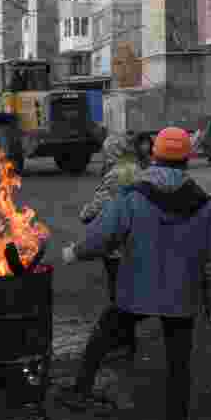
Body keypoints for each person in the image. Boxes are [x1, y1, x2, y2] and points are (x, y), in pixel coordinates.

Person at [61, 126, 211, 420]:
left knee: (103, 334)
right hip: (181, 298)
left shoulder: (134, 197)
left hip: (135, 291)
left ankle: (79, 391)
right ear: (187, 159)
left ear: (154, 155)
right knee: (179, 367)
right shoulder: (207, 207)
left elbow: (103, 235)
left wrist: (75, 252)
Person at [78, 133, 142, 360]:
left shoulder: (117, 175)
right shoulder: (137, 170)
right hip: (136, 242)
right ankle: (127, 341)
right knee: (127, 292)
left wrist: (85, 213)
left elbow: (96, 208)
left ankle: (122, 343)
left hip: (117, 246)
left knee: (119, 296)